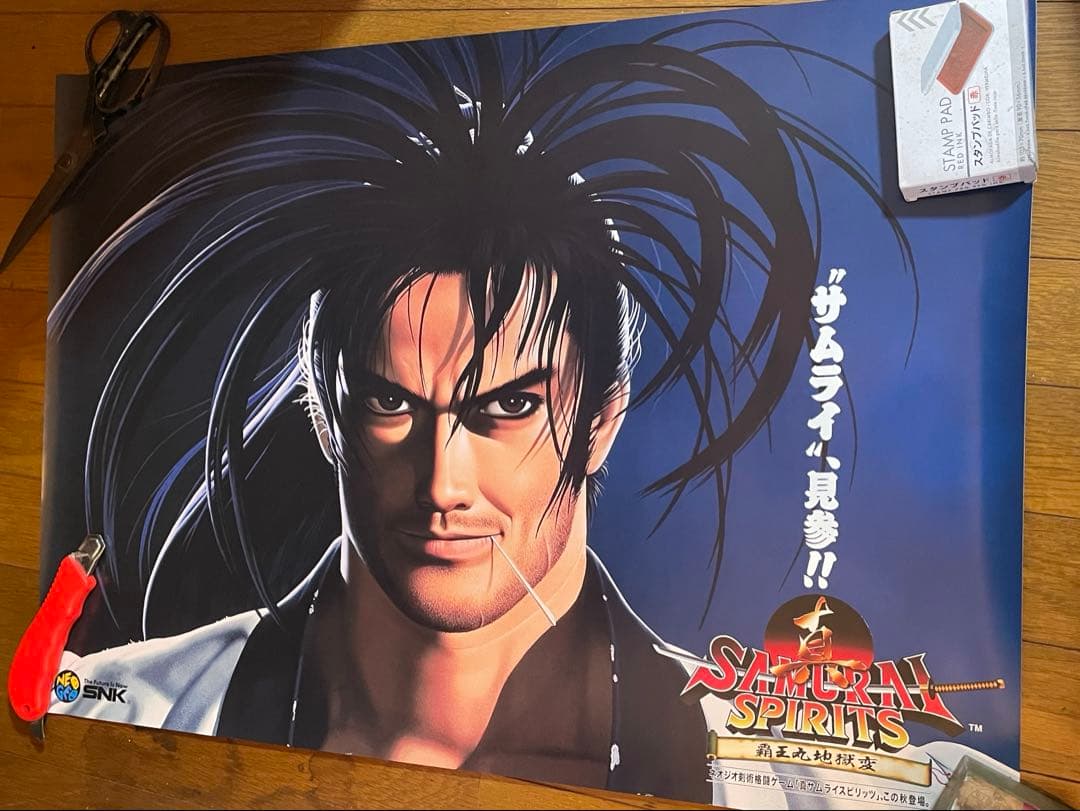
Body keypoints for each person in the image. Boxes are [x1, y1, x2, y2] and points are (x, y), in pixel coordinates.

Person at [45, 25, 905, 804]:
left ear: (602, 420)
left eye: (509, 405)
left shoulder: (803, 787)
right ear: (324, 409)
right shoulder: (126, 707)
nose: (442, 482)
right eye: (390, 400)